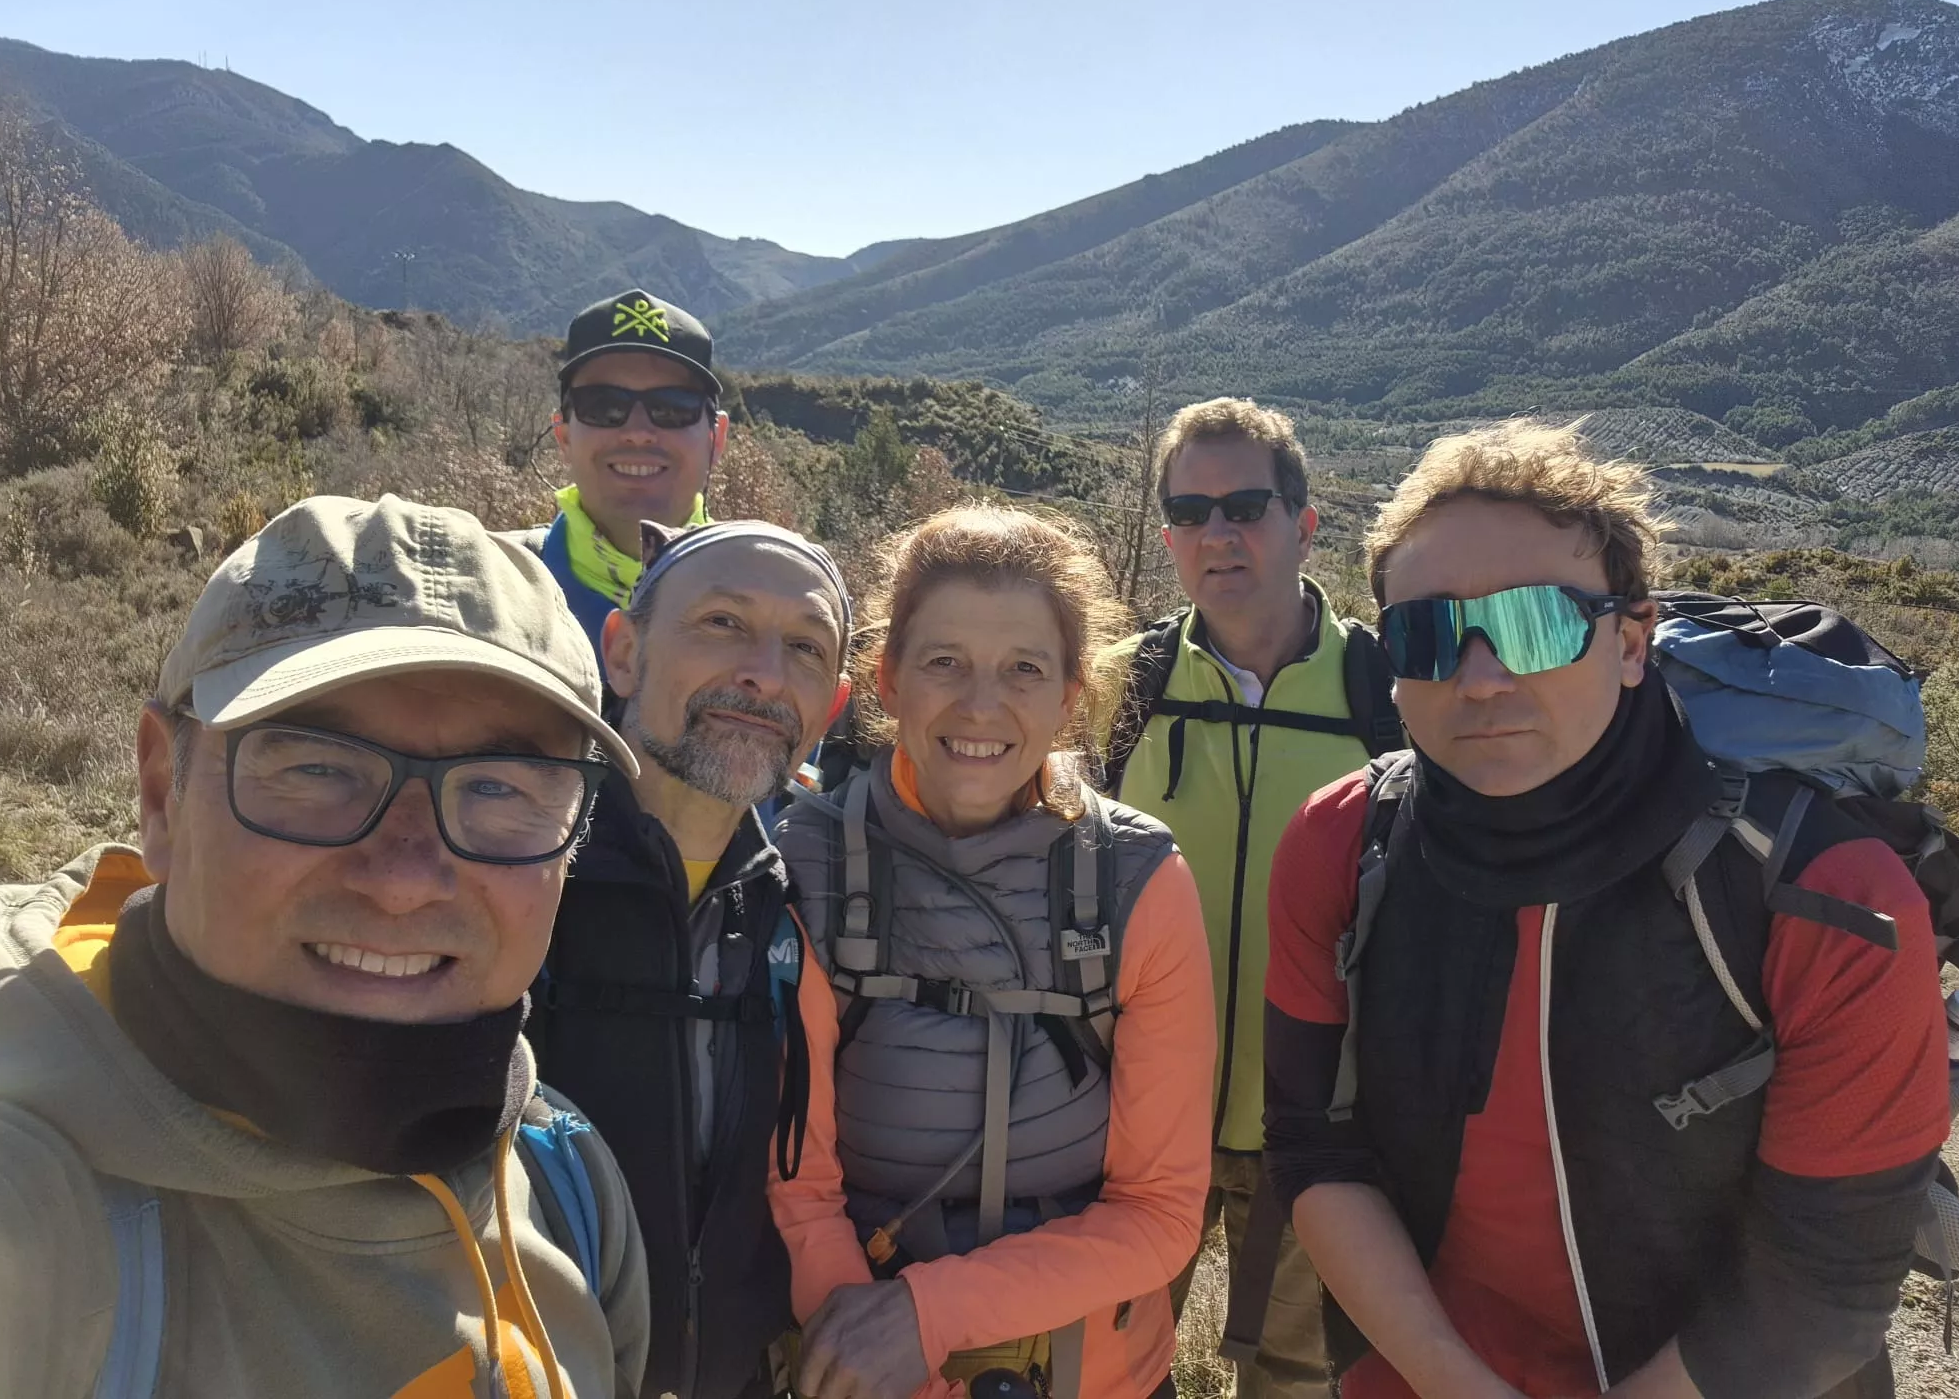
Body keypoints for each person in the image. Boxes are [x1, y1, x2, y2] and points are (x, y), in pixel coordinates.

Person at [1263, 421, 1953, 1399]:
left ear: (1630, 641)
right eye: (1424, 634)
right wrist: (1448, 1378)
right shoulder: (1338, 843)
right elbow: (1312, 1141)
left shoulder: (1822, 895)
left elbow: (1825, 1286)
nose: (1480, 676)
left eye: (1537, 624)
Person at [0, 494, 653, 1398]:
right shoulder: (13, 1210)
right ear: (161, 793)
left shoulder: (564, 1179)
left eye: (499, 789)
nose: (405, 876)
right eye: (318, 769)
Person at [771, 506, 1215, 1399]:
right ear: (887, 679)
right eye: (944, 663)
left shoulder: (1140, 883)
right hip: (862, 1363)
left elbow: (1162, 1212)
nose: (981, 705)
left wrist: (927, 1316)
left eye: (1024, 669)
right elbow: (800, 1188)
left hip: (1095, 1374)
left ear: (1070, 691)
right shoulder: (803, 866)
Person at [1098, 397, 1394, 1399]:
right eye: (1186, 512)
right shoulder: (1119, 688)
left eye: (1242, 506)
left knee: (1297, 1379)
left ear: (1304, 524)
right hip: (1139, 1120)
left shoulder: (1385, 693)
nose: (1213, 534)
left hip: (1324, 1125)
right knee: (1111, 1370)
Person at [530, 521, 855, 1399]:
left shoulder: (808, 909)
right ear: (624, 654)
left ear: (830, 709)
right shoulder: (511, 879)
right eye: (721, 623)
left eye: (804, 648)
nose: (764, 673)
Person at [524, 285, 731, 672]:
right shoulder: (495, 593)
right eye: (604, 406)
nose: (638, 431)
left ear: (715, 439)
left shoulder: (772, 609)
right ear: (564, 435)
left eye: (672, 407)